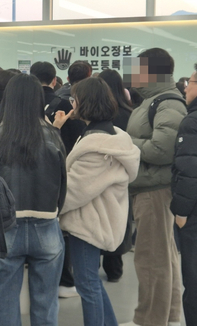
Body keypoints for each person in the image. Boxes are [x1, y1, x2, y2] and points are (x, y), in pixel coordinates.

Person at [55, 77, 140, 326]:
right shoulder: (110, 136)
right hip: (102, 219)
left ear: (85, 103)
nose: (72, 104)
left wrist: (51, 206)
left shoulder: (96, 147)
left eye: (74, 100)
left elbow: (73, 192)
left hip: (88, 223)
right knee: (90, 282)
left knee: (87, 284)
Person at [0, 74, 67, 326]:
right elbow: (62, 187)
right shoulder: (53, 136)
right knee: (46, 304)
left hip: (5, 229)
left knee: (3, 302)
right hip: (46, 224)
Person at [122, 49, 185, 326]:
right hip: (151, 188)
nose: (132, 74)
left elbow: (162, 149)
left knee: (150, 259)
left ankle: (149, 319)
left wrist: (124, 142)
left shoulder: (167, 104)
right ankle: (167, 315)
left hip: (154, 190)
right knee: (163, 255)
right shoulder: (152, 101)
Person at [30, 61, 85, 299]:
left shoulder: (19, 105)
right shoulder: (65, 105)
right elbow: (75, 141)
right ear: (54, 80)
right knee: (59, 226)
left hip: (25, 175)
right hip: (59, 169)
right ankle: (64, 279)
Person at [98, 69, 134, 282]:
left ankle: (95, 261)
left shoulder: (100, 115)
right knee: (120, 218)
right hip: (124, 175)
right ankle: (115, 268)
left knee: (99, 218)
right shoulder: (129, 113)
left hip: (100, 173)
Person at [171, 64, 197, 326]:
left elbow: (189, 170)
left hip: (194, 213)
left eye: (191, 81)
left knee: (194, 282)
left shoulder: (192, 121)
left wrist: (180, 212)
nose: (187, 87)